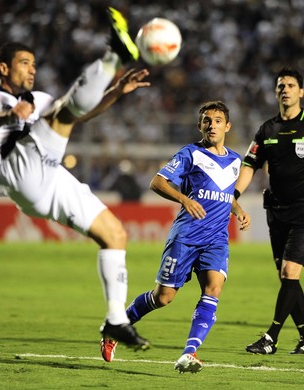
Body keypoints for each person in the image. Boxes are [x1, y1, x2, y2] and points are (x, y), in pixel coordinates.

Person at [0, 7, 151, 350]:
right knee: (61, 112)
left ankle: (116, 321)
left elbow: (76, 114)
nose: (32, 69)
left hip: (49, 175)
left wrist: (114, 94)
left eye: (35, 64)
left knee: (115, 234)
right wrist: (10, 114)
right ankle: (114, 55)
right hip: (14, 170)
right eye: (25, 63)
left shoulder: (37, 101)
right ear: (3, 68)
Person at [100, 101, 251, 373]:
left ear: (227, 126)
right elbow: (157, 182)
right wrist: (184, 198)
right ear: (200, 126)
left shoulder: (235, 160)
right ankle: (115, 328)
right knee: (163, 297)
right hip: (186, 236)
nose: (212, 125)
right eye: (206, 120)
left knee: (213, 288)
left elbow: (225, 195)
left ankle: (189, 353)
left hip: (216, 239)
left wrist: (238, 210)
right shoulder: (189, 153)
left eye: (217, 120)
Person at [235, 67, 304, 355]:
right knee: (287, 279)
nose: (284, 90)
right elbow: (249, 165)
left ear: (301, 92)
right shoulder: (267, 130)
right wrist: (233, 194)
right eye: (280, 86)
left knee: (289, 272)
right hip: (276, 211)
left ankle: (270, 337)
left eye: (290, 85)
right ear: (276, 92)